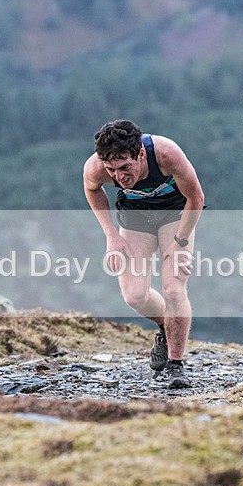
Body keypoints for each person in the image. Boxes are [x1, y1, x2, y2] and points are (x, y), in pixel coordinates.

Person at [83, 120, 205, 389]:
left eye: (125, 167)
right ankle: (166, 326)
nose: (120, 177)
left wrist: (181, 241)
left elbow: (196, 198)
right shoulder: (95, 166)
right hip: (135, 217)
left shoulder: (166, 154)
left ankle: (175, 365)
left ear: (139, 154)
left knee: (173, 289)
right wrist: (111, 235)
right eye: (112, 170)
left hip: (175, 213)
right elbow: (92, 189)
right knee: (134, 295)